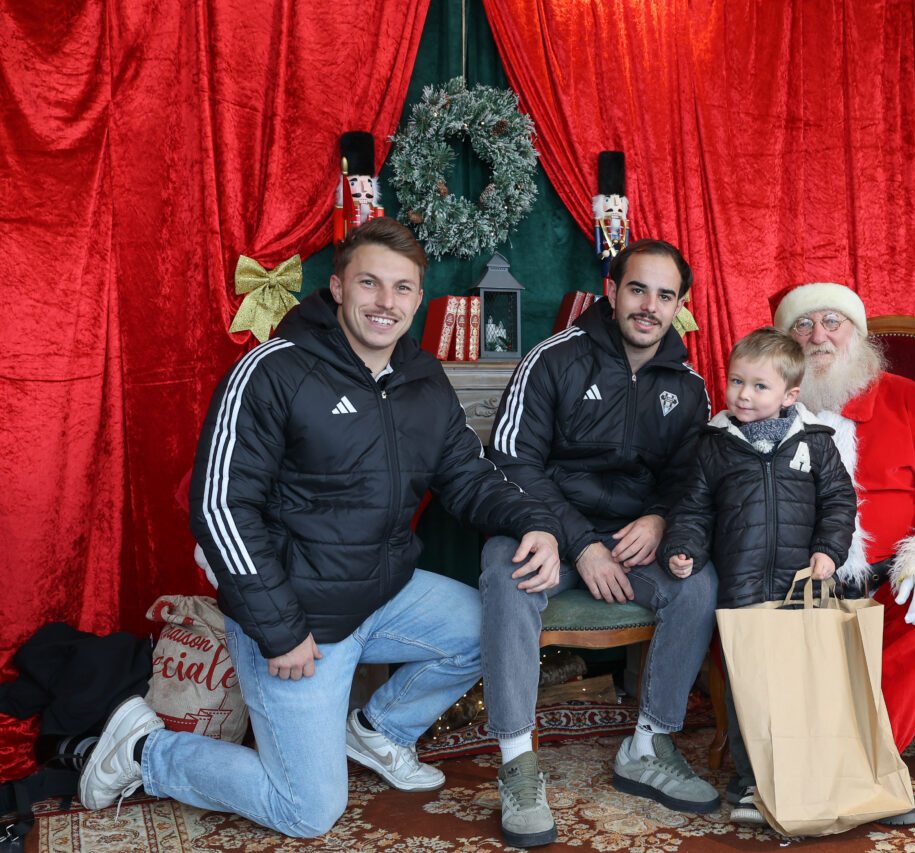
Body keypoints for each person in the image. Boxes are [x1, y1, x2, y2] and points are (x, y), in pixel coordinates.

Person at [77, 218, 564, 837]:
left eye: (403, 288)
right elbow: (221, 508)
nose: (386, 303)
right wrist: (280, 630)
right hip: (299, 616)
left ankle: (378, 732)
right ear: (337, 287)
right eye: (370, 283)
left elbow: (467, 476)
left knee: (488, 629)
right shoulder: (273, 371)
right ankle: (147, 751)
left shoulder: (424, 379)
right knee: (307, 810)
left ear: (418, 297)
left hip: (384, 592)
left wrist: (535, 522)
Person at [482, 239, 716, 848]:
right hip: (548, 530)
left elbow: (695, 479)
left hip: (635, 540)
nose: (650, 306)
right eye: (638, 289)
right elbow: (512, 460)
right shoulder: (554, 358)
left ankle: (647, 743)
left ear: (679, 306)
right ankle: (516, 761)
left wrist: (663, 519)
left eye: (666, 296)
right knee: (506, 574)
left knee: (699, 582)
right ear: (611, 291)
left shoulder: (689, 387)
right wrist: (578, 542)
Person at [772, 282, 915, 826]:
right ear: (784, 342)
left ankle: (863, 766)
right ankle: (796, 767)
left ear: (859, 335)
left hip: (888, 581)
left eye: (832, 322)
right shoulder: (761, 401)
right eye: (803, 326)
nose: (818, 336)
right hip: (792, 579)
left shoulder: (912, 403)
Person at [657, 327, 858, 825]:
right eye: (736, 381)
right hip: (741, 591)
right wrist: (682, 548)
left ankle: (809, 776)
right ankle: (753, 782)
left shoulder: (816, 442)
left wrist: (829, 551)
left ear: (791, 394)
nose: (744, 395)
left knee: (800, 687)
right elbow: (694, 510)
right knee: (749, 689)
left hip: (800, 591)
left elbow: (839, 502)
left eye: (759, 386)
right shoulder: (715, 446)